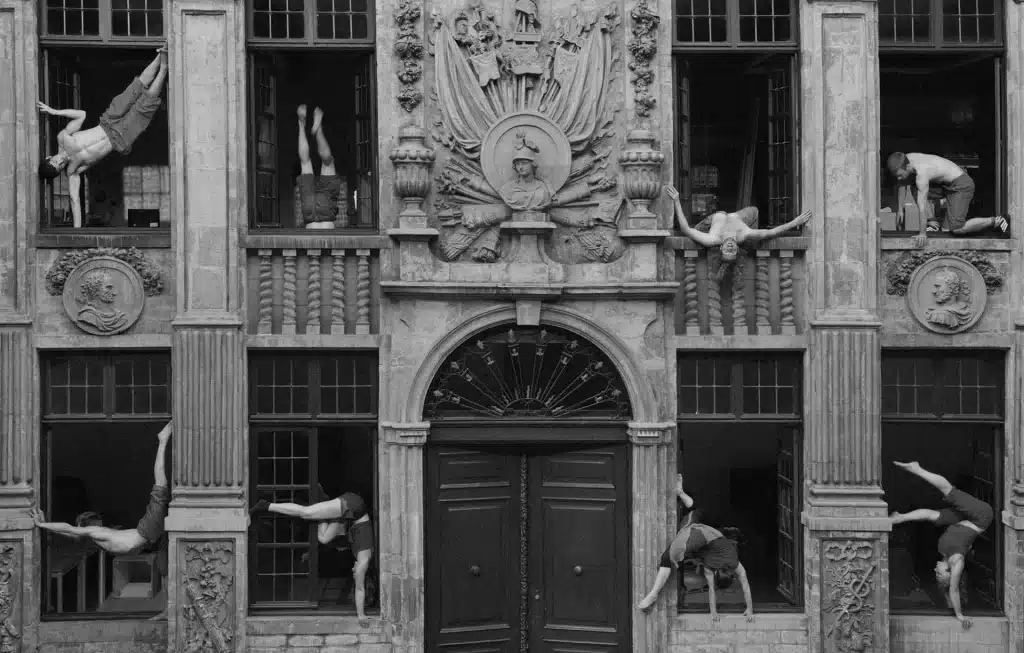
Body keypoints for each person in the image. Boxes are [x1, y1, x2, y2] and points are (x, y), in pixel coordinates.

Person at [37, 48, 168, 228]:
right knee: (147, 104)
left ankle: (161, 55)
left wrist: (54, 111)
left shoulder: (63, 138)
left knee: (137, 86)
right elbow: (75, 201)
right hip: (118, 139)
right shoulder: (73, 172)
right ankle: (165, 68)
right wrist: (76, 236)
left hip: (107, 122)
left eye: (56, 160)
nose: (61, 161)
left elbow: (81, 115)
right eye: (59, 166)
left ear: (49, 157)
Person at [889, 461, 994, 630]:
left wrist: (947, 601)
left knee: (931, 515)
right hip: (982, 516)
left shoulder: (943, 551)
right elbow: (954, 590)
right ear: (949, 570)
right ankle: (918, 469)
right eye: (938, 572)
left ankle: (899, 517)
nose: (934, 569)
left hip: (963, 521)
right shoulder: (957, 561)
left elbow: (930, 514)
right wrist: (960, 615)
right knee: (948, 491)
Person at [637, 475, 754, 621]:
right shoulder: (715, 567)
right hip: (702, 535)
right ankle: (653, 594)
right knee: (668, 556)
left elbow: (738, 585)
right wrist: (747, 610)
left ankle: (681, 493)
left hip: (706, 537)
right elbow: (715, 589)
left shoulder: (733, 564)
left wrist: (715, 613)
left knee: (695, 511)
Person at [251, 489, 373, 626]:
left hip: (349, 517)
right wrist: (361, 616)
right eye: (355, 573)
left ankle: (320, 512)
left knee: (324, 538)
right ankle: (266, 505)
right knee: (306, 513)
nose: (353, 571)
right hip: (354, 506)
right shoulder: (363, 562)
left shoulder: (361, 557)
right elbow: (360, 588)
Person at [664, 184, 810, 279]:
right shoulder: (744, 234)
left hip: (713, 220)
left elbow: (685, 229)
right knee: (755, 211)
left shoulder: (713, 239)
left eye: (727, 251)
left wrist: (677, 201)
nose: (730, 248)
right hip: (740, 218)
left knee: (694, 233)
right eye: (732, 251)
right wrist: (796, 222)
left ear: (721, 247)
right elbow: (772, 233)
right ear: (736, 248)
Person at [886, 152, 1009, 243]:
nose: (899, 178)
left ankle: (996, 221)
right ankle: (933, 223)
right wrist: (900, 209)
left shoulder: (922, 173)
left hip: (961, 185)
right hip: (946, 186)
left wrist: (922, 233)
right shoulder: (906, 159)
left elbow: (922, 205)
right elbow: (902, 183)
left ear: (907, 167)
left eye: (900, 175)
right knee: (946, 233)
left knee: (956, 229)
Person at [296, 105, 343, 229]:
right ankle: (318, 131)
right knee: (327, 161)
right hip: (325, 209)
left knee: (307, 162)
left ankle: (301, 124)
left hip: (309, 213)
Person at [498, 132, 555, 213]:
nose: (520, 167)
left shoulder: (544, 188)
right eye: (517, 164)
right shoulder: (506, 189)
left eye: (524, 163)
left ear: (533, 164)